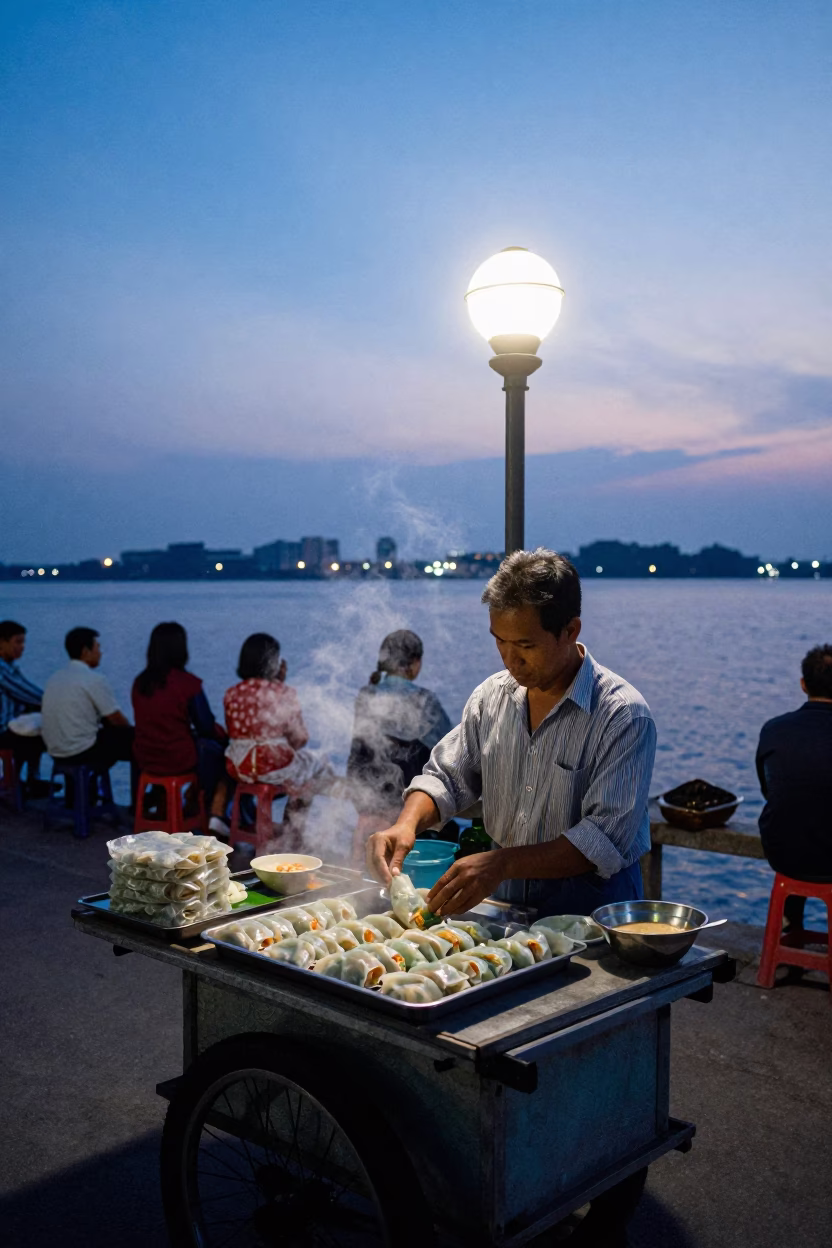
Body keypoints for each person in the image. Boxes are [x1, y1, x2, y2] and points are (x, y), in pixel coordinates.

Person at [367, 548, 656, 918]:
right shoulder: (491, 697)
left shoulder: (622, 716)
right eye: (499, 640)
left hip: (593, 907)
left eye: (525, 645)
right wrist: (404, 826)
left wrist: (501, 863)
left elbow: (602, 840)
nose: (509, 658)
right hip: (506, 901)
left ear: (570, 631)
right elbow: (447, 778)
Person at [347, 630, 451, 859]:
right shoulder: (424, 700)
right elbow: (452, 750)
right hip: (406, 803)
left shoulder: (366, 694)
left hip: (365, 798)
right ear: (415, 663)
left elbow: (357, 755)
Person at [224, 633, 334, 844]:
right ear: (273, 662)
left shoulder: (232, 693)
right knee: (318, 765)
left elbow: (233, 731)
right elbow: (300, 739)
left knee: (301, 768)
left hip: (238, 767)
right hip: (270, 766)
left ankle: (258, 826)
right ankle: (293, 831)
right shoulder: (283, 692)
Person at [756, 644, 832, 930]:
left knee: (802, 824)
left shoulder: (774, 729)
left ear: (803, 684)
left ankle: (790, 931)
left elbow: (770, 790)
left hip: (782, 850)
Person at [132, 622, 232, 836]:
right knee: (224, 754)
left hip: (146, 757)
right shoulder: (187, 683)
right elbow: (205, 725)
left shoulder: (140, 683)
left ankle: (173, 805)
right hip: (177, 759)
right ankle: (213, 809)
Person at [41, 627, 136, 804]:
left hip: (55, 751)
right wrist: (131, 730)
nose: (100, 653)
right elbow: (115, 719)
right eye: (97, 648)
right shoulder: (93, 679)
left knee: (87, 735)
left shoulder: (55, 678)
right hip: (82, 751)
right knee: (138, 742)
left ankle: (80, 794)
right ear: (86, 651)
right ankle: (138, 804)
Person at [0, 619, 48, 796]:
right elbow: (29, 693)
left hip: (8, 727)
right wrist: (57, 702)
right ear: (2, 643)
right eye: (18, 642)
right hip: (2, 731)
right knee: (44, 736)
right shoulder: (3, 671)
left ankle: (28, 779)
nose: (22, 647)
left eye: (23, 642)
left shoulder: (10, 667)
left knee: (37, 722)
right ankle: (29, 780)